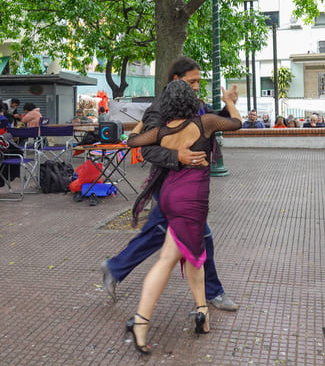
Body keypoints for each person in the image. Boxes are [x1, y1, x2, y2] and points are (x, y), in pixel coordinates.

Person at [100, 56, 240, 315]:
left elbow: (210, 122)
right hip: (171, 187)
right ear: (176, 80)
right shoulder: (158, 109)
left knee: (159, 234)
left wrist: (228, 106)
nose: (197, 86)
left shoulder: (195, 104)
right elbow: (147, 150)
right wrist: (178, 157)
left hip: (190, 189)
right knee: (199, 238)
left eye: (199, 81)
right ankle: (211, 294)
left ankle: (115, 268)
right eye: (192, 81)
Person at [123, 79, 242, 354]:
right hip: (191, 201)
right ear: (191, 102)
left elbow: (132, 142)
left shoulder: (161, 132)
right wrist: (230, 103)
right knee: (167, 259)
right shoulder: (206, 124)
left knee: (192, 252)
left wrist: (142, 123)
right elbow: (236, 123)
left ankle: (202, 311)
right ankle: (140, 322)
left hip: (169, 196)